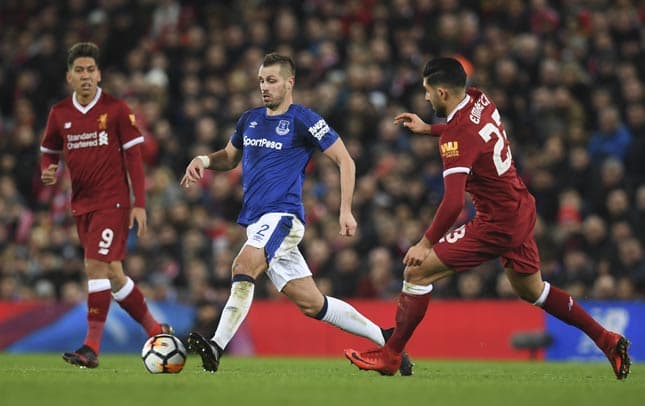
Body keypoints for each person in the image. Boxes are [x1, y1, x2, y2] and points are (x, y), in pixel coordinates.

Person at [344, 57, 631, 380]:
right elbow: (471, 135)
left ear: (442, 92)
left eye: (427, 92)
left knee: (417, 271)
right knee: (533, 291)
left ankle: (391, 355)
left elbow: (453, 203)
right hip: (520, 207)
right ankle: (608, 340)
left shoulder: (456, 137)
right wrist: (430, 129)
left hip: (497, 223)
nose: (425, 98)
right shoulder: (479, 98)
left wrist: (425, 243)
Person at [181, 52, 412, 375]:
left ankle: (217, 345)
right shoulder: (249, 119)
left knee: (243, 265)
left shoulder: (304, 120)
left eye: (272, 80)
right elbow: (230, 157)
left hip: (283, 217)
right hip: (257, 221)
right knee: (312, 303)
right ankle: (388, 342)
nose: (265, 87)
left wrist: (345, 210)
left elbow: (346, 160)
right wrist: (204, 160)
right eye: (261, 80)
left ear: (290, 83)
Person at [40, 42, 172, 368]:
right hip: (81, 204)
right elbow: (49, 150)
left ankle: (91, 347)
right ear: (69, 76)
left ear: (99, 75)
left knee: (95, 267)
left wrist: (138, 204)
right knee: (113, 273)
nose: (86, 76)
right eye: (79, 71)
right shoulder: (59, 114)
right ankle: (156, 329)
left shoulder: (116, 110)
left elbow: (135, 160)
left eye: (91, 70)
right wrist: (49, 169)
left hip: (112, 203)